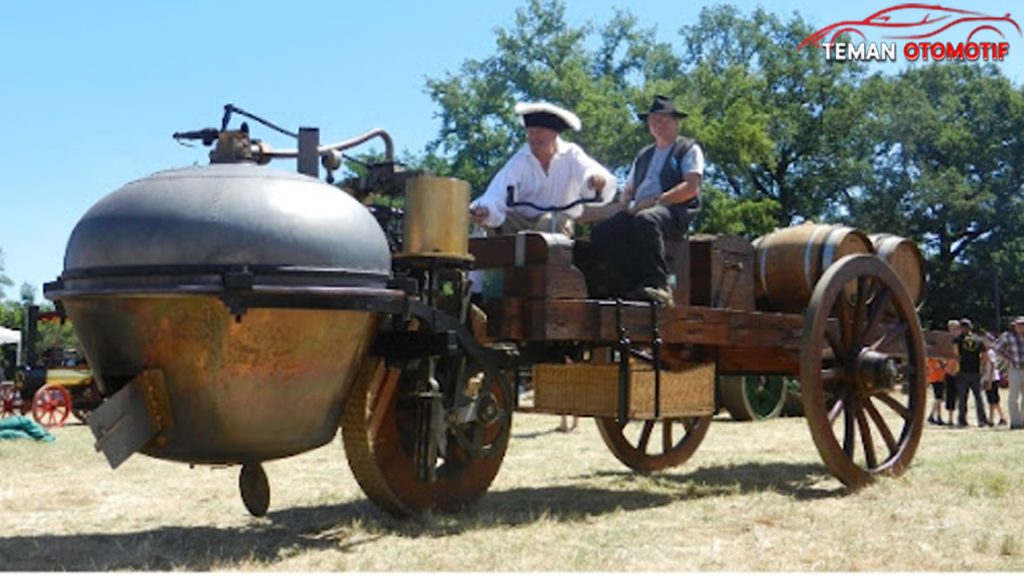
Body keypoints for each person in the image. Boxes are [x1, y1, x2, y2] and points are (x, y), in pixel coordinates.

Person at [590, 95, 704, 307]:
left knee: (647, 220)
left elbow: (691, 188)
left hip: (674, 210)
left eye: (663, 119)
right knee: (602, 232)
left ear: (676, 122)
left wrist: (657, 200)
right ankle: (635, 280)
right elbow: (628, 190)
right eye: (653, 120)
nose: (657, 124)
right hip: (640, 209)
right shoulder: (643, 155)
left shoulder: (688, 149)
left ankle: (661, 285)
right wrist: (626, 205)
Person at [469, 101, 615, 237]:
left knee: (550, 222)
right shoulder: (521, 159)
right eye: (530, 133)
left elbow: (590, 170)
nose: (534, 138)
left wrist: (595, 180)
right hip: (521, 222)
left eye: (539, 132)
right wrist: (486, 209)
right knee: (491, 224)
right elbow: (498, 190)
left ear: (554, 134)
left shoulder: (571, 154)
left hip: (558, 221)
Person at [954, 318, 989, 428]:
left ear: (960, 328)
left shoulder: (957, 340)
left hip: (962, 371)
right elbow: (985, 356)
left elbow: (955, 355)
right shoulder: (978, 339)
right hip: (975, 371)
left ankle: (962, 420)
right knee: (978, 397)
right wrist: (979, 364)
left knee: (962, 397)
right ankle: (982, 420)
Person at [991, 315, 1024, 429]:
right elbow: (996, 347)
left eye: (1023, 325)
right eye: (1019, 325)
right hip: (1015, 368)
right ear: (1014, 326)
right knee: (1013, 396)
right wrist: (1007, 358)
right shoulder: (1008, 336)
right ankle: (1015, 422)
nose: (1021, 327)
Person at [982, 346, 1007, 427]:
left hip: (992, 379)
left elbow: (992, 366)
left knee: (992, 400)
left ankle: (991, 420)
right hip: (988, 378)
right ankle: (1002, 418)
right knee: (995, 401)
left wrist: (989, 380)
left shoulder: (990, 352)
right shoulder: (985, 352)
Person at [944, 319, 961, 426]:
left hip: (961, 371)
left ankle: (961, 417)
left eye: (956, 328)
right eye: (952, 328)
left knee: (961, 395)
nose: (954, 330)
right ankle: (950, 419)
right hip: (950, 371)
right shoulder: (946, 340)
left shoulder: (962, 340)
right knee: (950, 395)